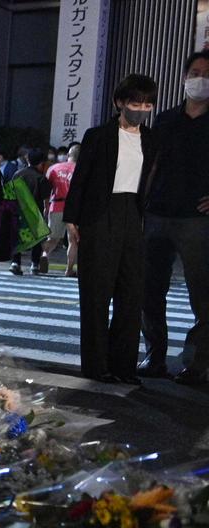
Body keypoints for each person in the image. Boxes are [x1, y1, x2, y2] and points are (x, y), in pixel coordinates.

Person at [64, 73, 158, 385]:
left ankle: (124, 366)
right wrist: (71, 220)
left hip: (133, 215)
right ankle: (96, 366)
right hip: (99, 215)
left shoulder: (151, 139)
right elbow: (80, 179)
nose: (141, 109)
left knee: (131, 294)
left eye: (147, 104)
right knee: (96, 293)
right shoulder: (98, 136)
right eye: (135, 102)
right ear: (119, 103)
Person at [140, 51, 209, 385]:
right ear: (183, 78)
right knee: (149, 288)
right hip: (157, 212)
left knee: (202, 294)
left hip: (196, 218)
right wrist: (142, 203)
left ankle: (196, 363)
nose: (200, 79)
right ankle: (154, 355)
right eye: (195, 72)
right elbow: (151, 164)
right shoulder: (165, 119)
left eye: (207, 74)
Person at [9, 147, 52, 275]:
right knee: (37, 240)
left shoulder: (17, 174)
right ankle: (34, 265)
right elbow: (46, 200)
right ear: (41, 163)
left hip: (18, 211)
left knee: (17, 238)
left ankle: (15, 263)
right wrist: (46, 212)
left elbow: (11, 194)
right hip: (35, 212)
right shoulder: (41, 178)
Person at [41, 143, 79, 277]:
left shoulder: (53, 168)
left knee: (52, 238)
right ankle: (69, 270)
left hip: (56, 205)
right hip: (74, 208)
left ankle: (45, 254)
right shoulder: (81, 170)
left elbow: (45, 190)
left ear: (68, 155)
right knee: (72, 240)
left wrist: (46, 207)